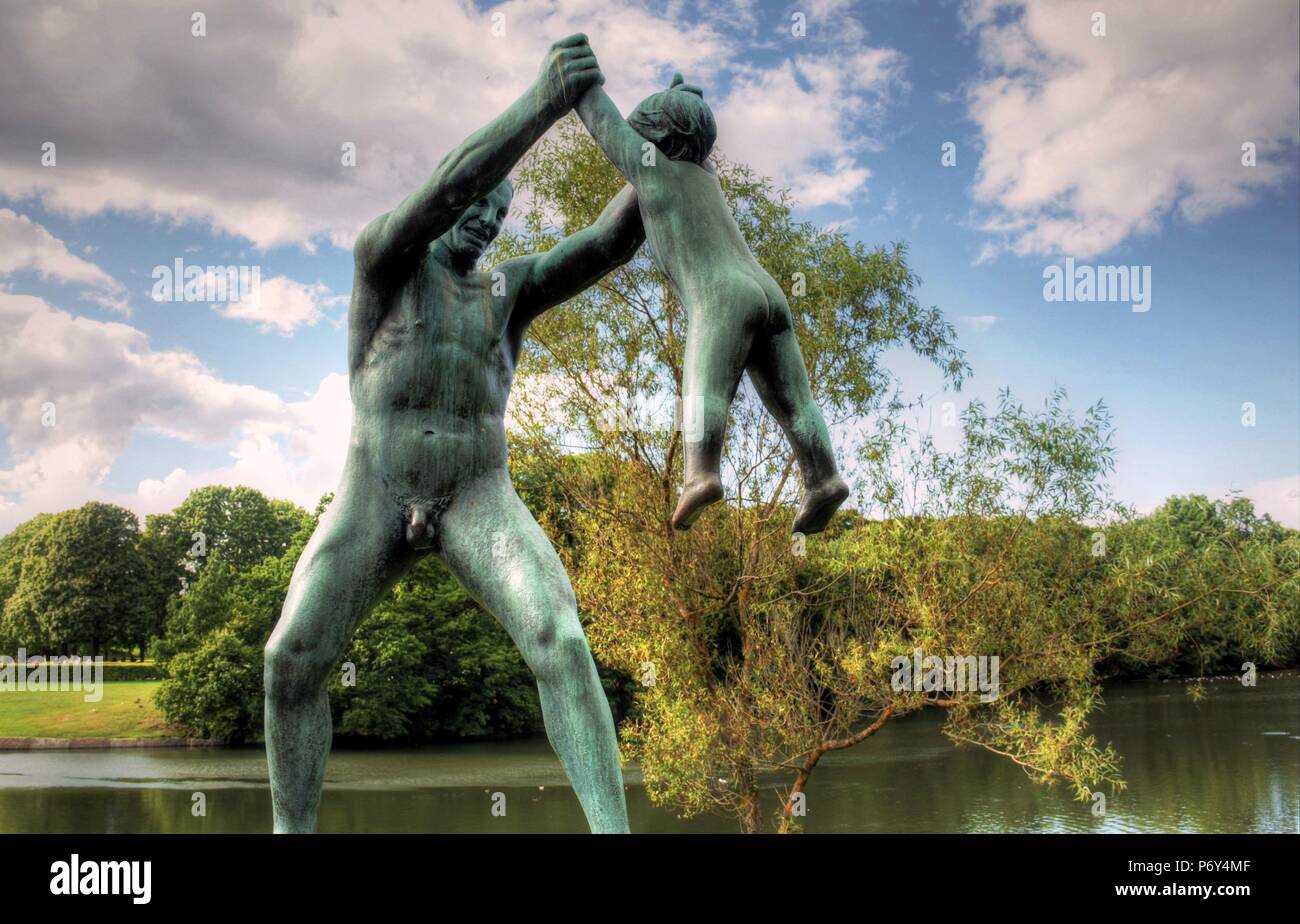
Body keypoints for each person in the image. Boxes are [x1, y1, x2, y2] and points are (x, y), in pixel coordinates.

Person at [264, 35, 644, 834]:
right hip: (376, 485)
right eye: (477, 205)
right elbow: (445, 186)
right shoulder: (385, 261)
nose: (486, 221)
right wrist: (544, 102)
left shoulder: (509, 291)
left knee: (561, 640)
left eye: (500, 215)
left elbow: (611, 241)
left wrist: (659, 150)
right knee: (289, 659)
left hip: (478, 490)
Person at [575, 73, 848, 533]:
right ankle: (824, 478)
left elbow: (607, 127)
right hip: (769, 294)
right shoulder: (706, 177)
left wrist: (579, 88)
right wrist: (684, 95)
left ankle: (700, 474)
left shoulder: (649, 167)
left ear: (655, 136)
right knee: (793, 402)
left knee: (705, 387)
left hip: (721, 295)